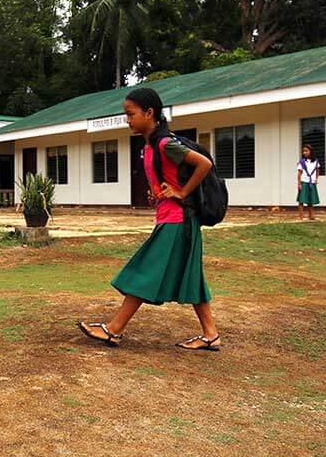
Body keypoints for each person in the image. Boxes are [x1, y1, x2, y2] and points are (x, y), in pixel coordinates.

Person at [78, 87, 220, 351]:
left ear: (149, 113)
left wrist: (181, 192)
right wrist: (161, 191)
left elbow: (204, 164)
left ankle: (114, 329)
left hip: (178, 220)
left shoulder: (166, 144)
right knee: (192, 276)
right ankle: (210, 334)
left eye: (131, 114)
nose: (127, 119)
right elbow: (168, 175)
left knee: (146, 270)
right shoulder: (150, 146)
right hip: (171, 217)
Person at [297, 144, 320, 220]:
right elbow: (299, 173)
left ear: (311, 151)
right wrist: (299, 183)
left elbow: (317, 170)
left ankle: (311, 215)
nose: (304, 152)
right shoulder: (302, 162)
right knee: (301, 200)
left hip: (311, 183)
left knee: (310, 200)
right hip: (304, 182)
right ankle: (301, 216)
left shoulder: (315, 161)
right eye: (303, 151)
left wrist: (316, 179)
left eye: (306, 151)